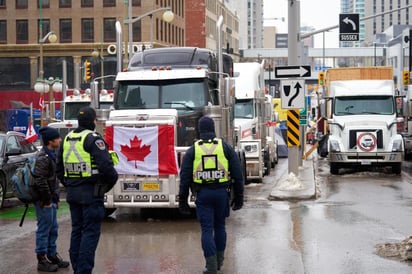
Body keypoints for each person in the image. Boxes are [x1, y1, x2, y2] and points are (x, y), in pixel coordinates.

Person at [56, 106, 118, 274]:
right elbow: (107, 168)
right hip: (91, 193)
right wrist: (105, 187)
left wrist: (70, 184)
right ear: (94, 121)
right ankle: (83, 271)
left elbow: (59, 169)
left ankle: (78, 268)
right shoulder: (93, 139)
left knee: (77, 231)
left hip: (73, 193)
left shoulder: (67, 139)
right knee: (90, 234)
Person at [179, 116, 244, 274]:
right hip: (222, 193)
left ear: (200, 130)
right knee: (220, 226)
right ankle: (219, 261)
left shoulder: (193, 150)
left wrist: (182, 200)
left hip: (203, 194)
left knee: (207, 229)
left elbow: (185, 177)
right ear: (214, 129)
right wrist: (239, 196)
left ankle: (211, 265)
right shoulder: (225, 147)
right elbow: (237, 173)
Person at [33, 126, 70, 272]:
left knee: (53, 228)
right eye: (57, 138)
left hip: (51, 200)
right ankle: (41, 259)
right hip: (44, 201)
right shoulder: (44, 157)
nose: (60, 140)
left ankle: (52, 255)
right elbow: (40, 180)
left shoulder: (51, 155)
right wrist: (47, 200)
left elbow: (52, 180)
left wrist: (56, 199)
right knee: (44, 229)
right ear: (50, 141)